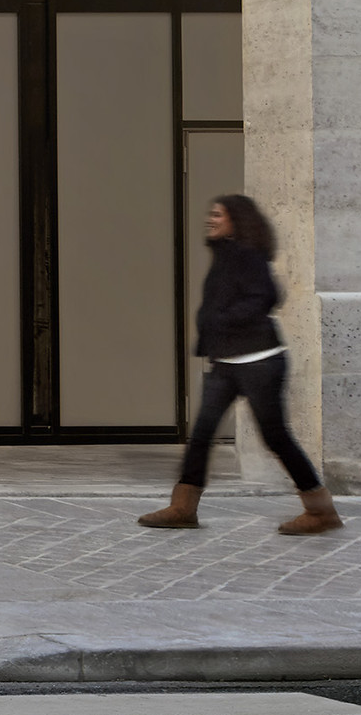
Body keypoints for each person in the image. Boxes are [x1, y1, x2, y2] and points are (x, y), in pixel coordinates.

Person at [139, 194, 341, 535]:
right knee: (201, 434)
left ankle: (320, 510)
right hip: (227, 363)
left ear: (237, 220)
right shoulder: (226, 255)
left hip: (259, 361)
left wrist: (223, 321)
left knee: (275, 436)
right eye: (211, 213)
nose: (211, 219)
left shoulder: (247, 256)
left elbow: (266, 297)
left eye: (218, 214)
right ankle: (183, 507)